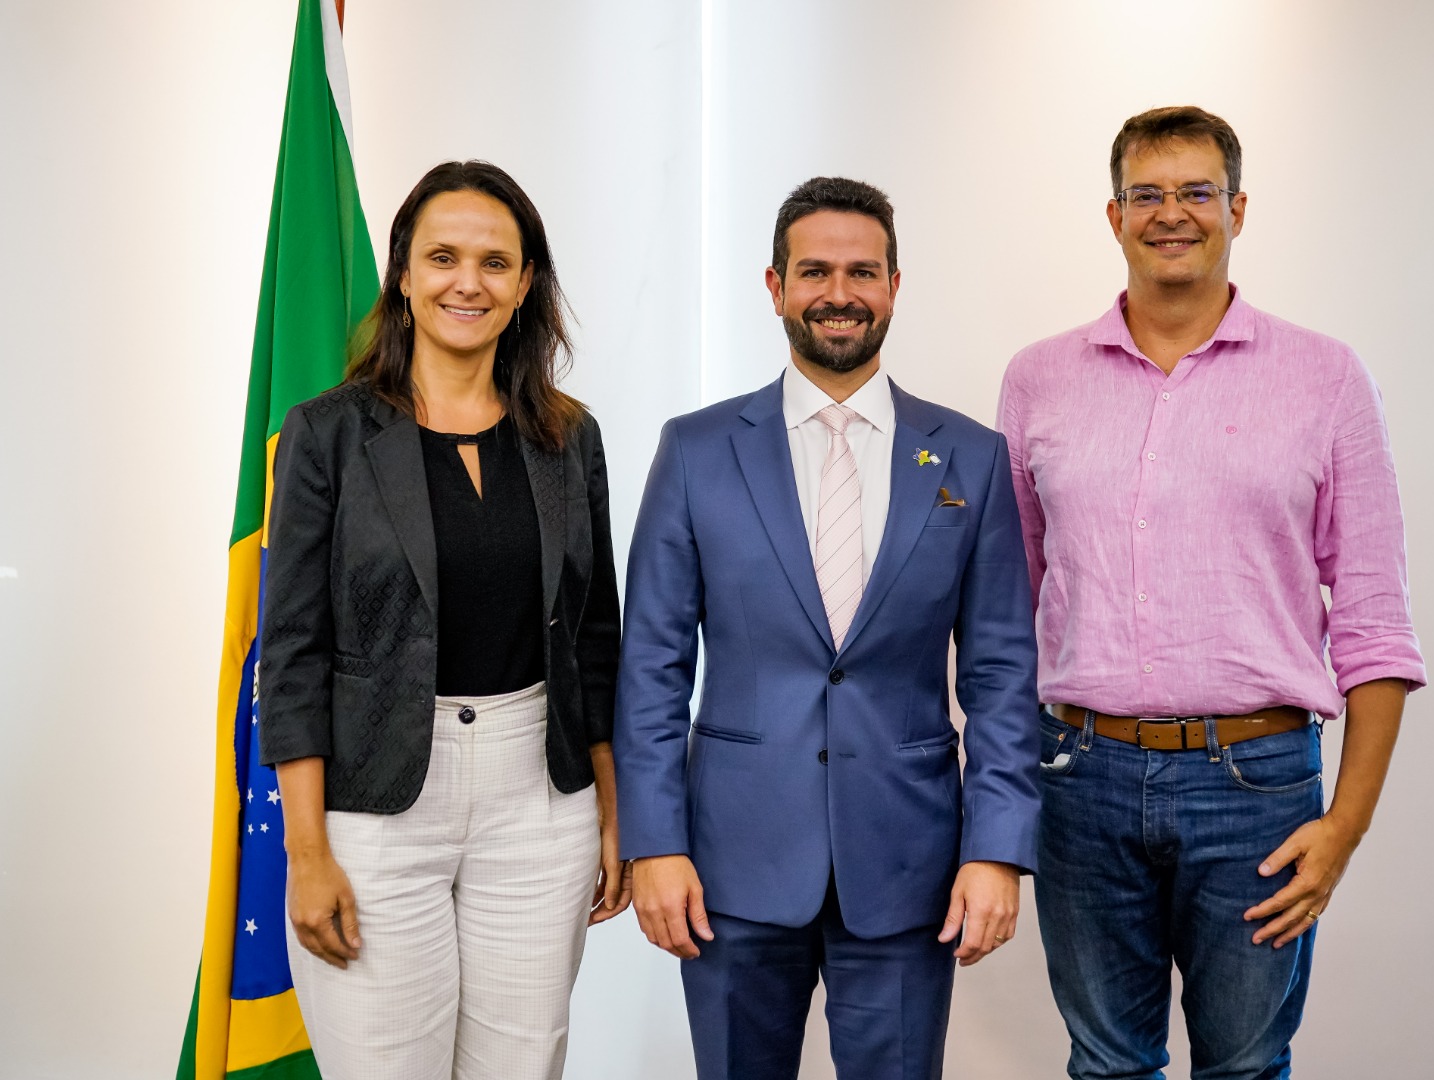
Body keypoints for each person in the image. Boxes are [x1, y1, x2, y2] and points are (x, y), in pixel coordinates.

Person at [998, 106, 1427, 1080]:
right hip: (1079, 778)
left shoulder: (1326, 378)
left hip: (1257, 787)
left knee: (1244, 1066)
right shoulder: (1037, 381)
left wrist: (1346, 827)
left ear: (1237, 208)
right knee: (1105, 1065)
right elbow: (1008, 610)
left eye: (1196, 191)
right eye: (1146, 194)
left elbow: (1374, 622)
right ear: (1113, 216)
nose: (1172, 213)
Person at [614, 176, 1040, 1080]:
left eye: (861, 272)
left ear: (894, 286)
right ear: (775, 286)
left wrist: (998, 849)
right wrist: (655, 843)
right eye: (814, 271)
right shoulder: (696, 451)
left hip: (908, 869)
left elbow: (1002, 674)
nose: (838, 293)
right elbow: (651, 667)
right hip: (728, 870)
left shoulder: (970, 457)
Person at [257, 160, 628, 1080]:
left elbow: (595, 639)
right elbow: (292, 652)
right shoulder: (326, 433)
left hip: (540, 802)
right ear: (403, 273)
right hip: (372, 804)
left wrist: (616, 812)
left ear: (526, 283)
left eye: (496, 262)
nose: (469, 282)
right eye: (443, 258)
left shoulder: (570, 437)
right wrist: (306, 852)